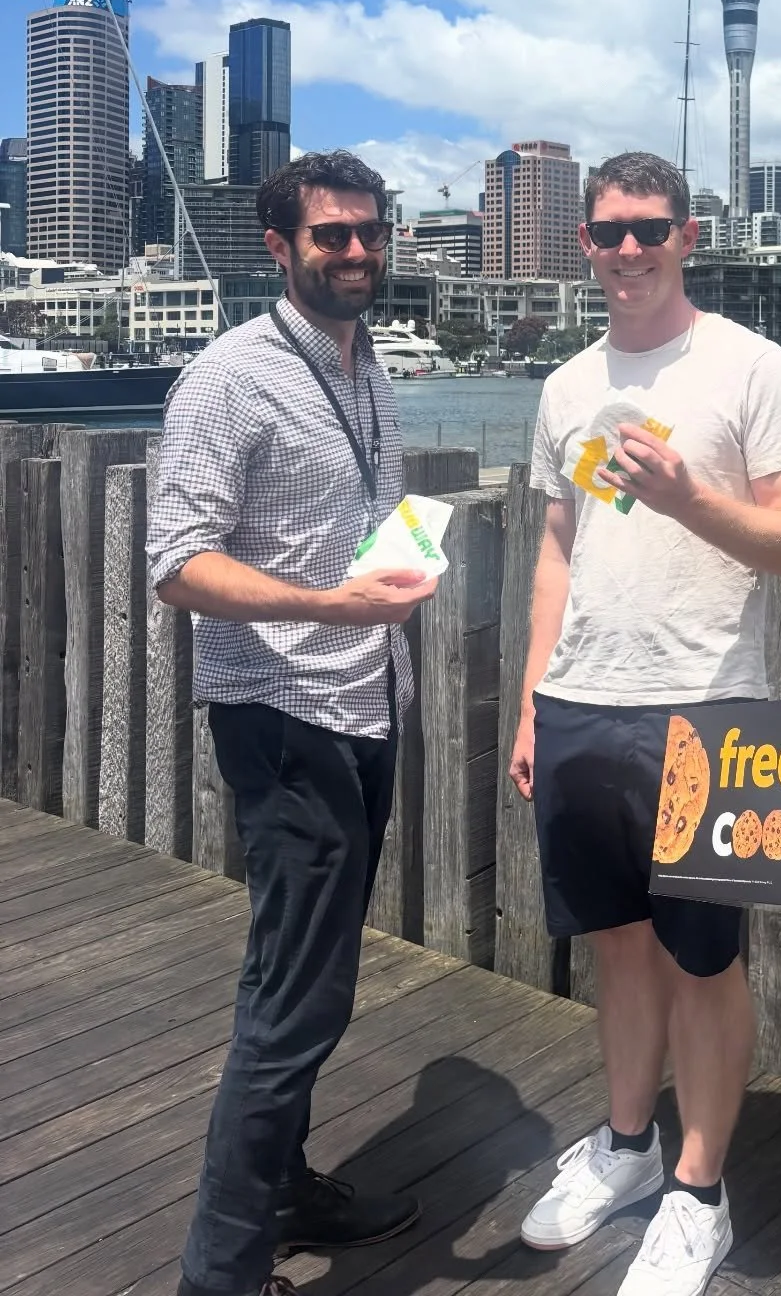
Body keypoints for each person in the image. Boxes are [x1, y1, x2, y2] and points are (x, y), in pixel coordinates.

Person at [509, 150, 781, 1296]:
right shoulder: (564, 386)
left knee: (704, 960)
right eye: (607, 232)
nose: (628, 250)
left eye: (650, 229)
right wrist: (535, 699)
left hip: (708, 711)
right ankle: (628, 1147)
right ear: (583, 244)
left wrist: (690, 494)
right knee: (618, 947)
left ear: (690, 236)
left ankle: (700, 1192)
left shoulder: (752, 366)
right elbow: (555, 552)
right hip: (584, 705)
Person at [149, 150, 435, 1296]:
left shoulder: (368, 370)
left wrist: (398, 569)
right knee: (295, 1000)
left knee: (301, 972)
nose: (357, 251)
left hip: (367, 702)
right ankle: (220, 1273)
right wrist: (331, 603)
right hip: (284, 715)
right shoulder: (230, 377)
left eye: (370, 231)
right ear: (280, 248)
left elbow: (360, 522)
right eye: (331, 236)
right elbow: (176, 561)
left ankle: (281, 1187)